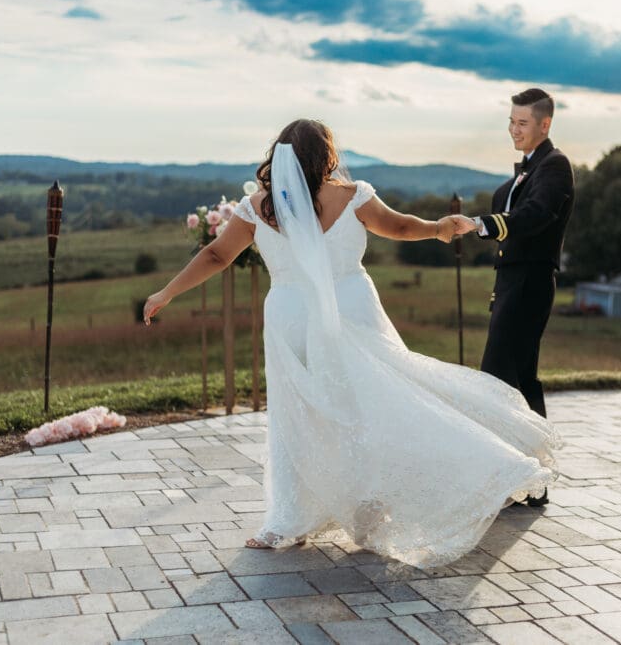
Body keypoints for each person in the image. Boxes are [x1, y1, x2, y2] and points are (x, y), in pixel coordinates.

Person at [143, 119, 558, 568]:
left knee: (299, 413)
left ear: (278, 156)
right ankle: (373, 509)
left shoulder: (256, 207)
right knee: (375, 404)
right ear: (327, 154)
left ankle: (288, 519)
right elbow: (399, 228)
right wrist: (438, 228)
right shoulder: (352, 195)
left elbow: (215, 255)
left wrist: (167, 292)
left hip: (290, 318)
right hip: (352, 308)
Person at [470, 88, 576, 508]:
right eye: (511, 121)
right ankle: (534, 480)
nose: (513, 129)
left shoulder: (556, 166)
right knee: (520, 380)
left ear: (544, 125)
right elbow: (515, 211)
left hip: (531, 282)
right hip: (512, 283)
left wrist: (481, 224)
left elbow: (534, 217)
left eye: (522, 123)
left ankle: (511, 476)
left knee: (497, 378)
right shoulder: (526, 173)